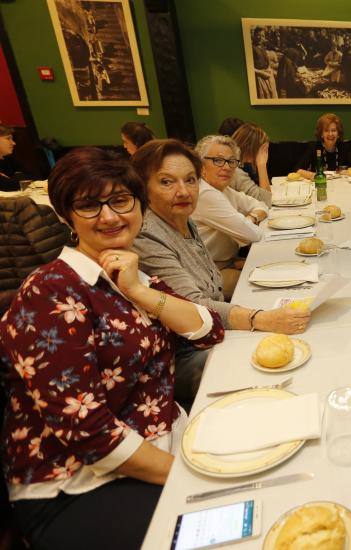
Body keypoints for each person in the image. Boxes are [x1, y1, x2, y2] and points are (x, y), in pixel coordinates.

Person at [0, 148, 224, 549]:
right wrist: (189, 477)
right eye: (89, 205)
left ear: (138, 204)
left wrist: (138, 289)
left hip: (160, 440)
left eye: (121, 200)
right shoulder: (50, 292)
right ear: (65, 214)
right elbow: (87, 434)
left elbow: (208, 329)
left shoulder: (132, 273)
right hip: (76, 483)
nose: (109, 216)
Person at [132, 139, 310, 335]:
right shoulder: (148, 235)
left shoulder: (183, 219)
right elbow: (193, 307)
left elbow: (212, 286)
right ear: (142, 188)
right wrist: (259, 318)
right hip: (192, 344)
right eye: (166, 182)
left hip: (215, 317)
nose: (183, 191)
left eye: (190, 180)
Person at [192, 135, 268, 299]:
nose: (226, 167)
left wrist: (250, 219)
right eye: (218, 160)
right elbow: (253, 235)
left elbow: (262, 205)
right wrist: (250, 222)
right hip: (206, 273)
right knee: (266, 284)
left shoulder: (223, 190)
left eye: (232, 161)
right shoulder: (205, 193)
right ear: (201, 164)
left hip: (227, 262)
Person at [295, 113, 351, 178]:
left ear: (338, 134)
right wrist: (313, 175)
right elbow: (297, 169)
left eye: (333, 130)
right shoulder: (315, 148)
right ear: (321, 134)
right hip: (320, 184)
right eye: (326, 131)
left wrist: (346, 172)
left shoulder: (343, 147)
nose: (330, 134)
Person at [230, 122, 272, 204]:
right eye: (263, 150)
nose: (265, 153)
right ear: (250, 147)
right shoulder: (235, 171)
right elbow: (265, 202)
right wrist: (262, 165)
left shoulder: (240, 164)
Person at [252, 27, 278, 99]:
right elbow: (249, 67)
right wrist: (262, 73)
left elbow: (267, 62)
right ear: (254, 35)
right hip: (260, 78)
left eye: (262, 35)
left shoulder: (263, 47)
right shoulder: (251, 48)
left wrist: (270, 70)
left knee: (272, 96)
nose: (260, 37)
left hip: (268, 75)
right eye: (258, 35)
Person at [0, 124, 26, 191]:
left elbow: (33, 176)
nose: (14, 143)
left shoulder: (9, 159)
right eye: (8, 138)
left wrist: (15, 178)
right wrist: (17, 177)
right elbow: (8, 186)